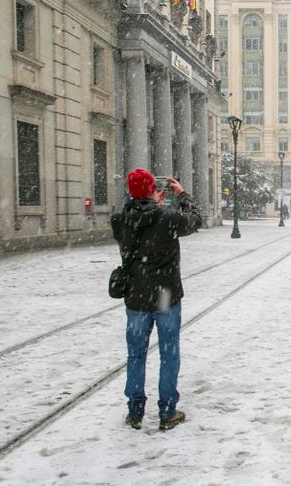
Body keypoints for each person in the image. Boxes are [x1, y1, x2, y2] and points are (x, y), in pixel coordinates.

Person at [111, 168, 201, 431]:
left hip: (136, 296)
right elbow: (194, 219)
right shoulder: (167, 218)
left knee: (136, 354)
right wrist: (182, 194)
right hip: (164, 295)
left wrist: (148, 202)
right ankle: (167, 410)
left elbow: (139, 220)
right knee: (168, 353)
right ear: (153, 189)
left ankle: (135, 410)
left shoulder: (120, 221)